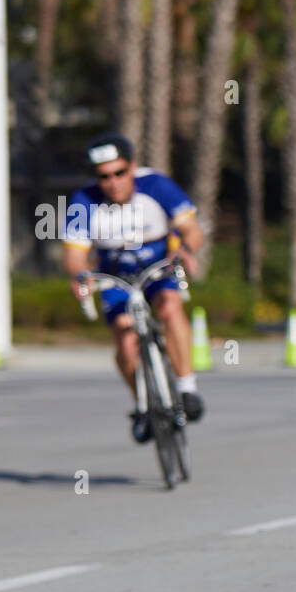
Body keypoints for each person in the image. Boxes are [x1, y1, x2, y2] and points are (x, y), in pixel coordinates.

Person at [63, 133, 205, 443]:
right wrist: (80, 276)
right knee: (126, 342)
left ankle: (187, 387)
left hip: (157, 267)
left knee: (169, 306)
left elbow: (191, 229)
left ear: (132, 168)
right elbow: (75, 254)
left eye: (119, 173)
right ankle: (143, 403)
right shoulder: (83, 200)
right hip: (116, 275)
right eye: (104, 176)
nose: (113, 182)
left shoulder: (156, 185)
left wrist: (186, 250)